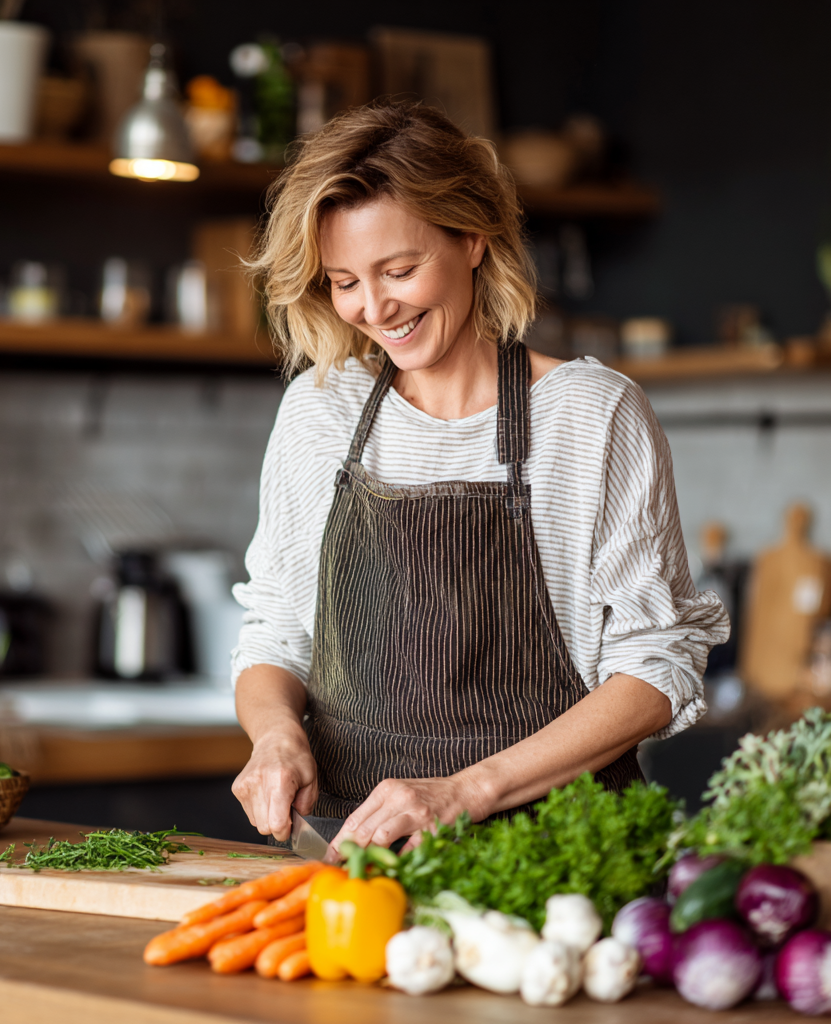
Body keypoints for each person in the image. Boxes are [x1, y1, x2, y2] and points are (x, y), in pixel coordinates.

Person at [230, 101, 728, 856]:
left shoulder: (590, 414)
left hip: (558, 860)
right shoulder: (319, 411)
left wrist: (466, 791)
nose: (375, 308)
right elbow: (275, 628)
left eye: (399, 270)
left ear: (471, 238)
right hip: (349, 854)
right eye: (344, 281)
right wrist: (273, 736)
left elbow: (655, 665)